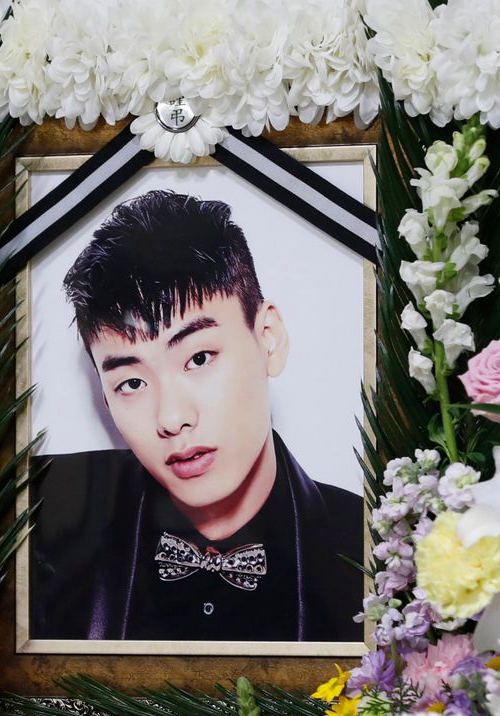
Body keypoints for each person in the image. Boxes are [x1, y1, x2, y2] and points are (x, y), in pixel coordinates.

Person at [30, 189, 363, 642]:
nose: (172, 418)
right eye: (132, 383)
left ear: (268, 339)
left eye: (199, 358)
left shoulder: (381, 550)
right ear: (104, 396)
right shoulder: (38, 522)